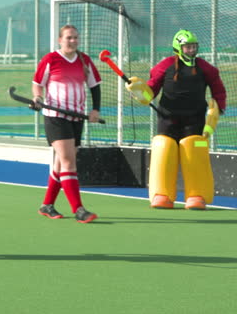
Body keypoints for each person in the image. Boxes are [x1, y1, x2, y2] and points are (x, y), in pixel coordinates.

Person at [126, 29, 226, 210]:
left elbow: (218, 91)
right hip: (168, 118)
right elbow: (151, 90)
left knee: (194, 150)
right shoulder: (164, 66)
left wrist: (217, 110)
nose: (191, 50)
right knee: (164, 147)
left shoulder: (206, 68)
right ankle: (162, 195)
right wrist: (139, 91)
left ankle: (197, 195)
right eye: (187, 47)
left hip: (194, 119)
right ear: (178, 48)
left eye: (193, 46)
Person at [31, 24, 102, 223]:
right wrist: (38, 98)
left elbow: (95, 86)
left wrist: (95, 109)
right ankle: (78, 209)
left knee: (61, 163)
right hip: (55, 116)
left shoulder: (84, 60)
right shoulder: (50, 59)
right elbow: (37, 83)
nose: (73, 41)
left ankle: (47, 205)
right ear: (60, 40)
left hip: (76, 117)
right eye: (69, 38)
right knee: (69, 160)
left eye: (75, 38)